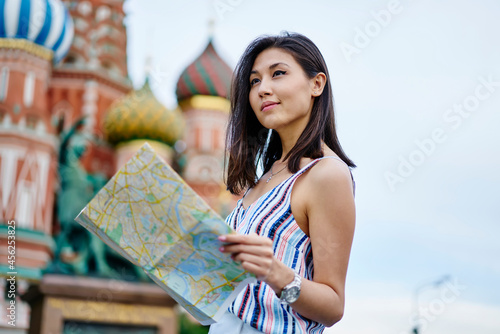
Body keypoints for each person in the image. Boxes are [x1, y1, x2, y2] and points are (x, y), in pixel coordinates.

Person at [209, 32, 356, 334]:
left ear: (317, 84)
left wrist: (275, 273)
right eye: (254, 81)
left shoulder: (327, 175)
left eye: (278, 74)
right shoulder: (265, 177)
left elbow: (333, 306)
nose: (263, 89)